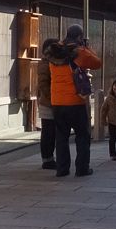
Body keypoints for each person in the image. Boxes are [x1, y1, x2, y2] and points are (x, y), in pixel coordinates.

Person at [45, 23, 102, 176]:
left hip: (57, 101)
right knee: (82, 136)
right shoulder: (79, 52)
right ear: (79, 37)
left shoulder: (53, 51)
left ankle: (62, 169)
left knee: (61, 137)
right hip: (75, 101)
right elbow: (97, 63)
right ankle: (82, 168)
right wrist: (86, 47)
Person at [36, 37, 60, 169]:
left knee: (52, 132)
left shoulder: (53, 62)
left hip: (53, 101)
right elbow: (43, 84)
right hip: (48, 103)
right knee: (48, 132)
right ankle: (47, 159)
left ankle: (50, 158)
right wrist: (52, 98)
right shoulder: (45, 64)